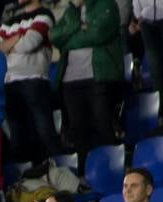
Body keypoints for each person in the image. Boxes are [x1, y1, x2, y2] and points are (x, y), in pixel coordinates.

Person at [51, 0, 123, 160]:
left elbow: (99, 33)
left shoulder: (105, 4)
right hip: (70, 80)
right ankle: (86, 169)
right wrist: (79, 27)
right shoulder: (70, 12)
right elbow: (54, 36)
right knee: (78, 129)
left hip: (97, 76)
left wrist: (69, 40)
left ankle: (114, 164)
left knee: (101, 122)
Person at [0, 0, 59, 164]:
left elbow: (28, 44)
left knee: (44, 132)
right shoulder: (9, 21)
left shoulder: (44, 15)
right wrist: (18, 37)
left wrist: (8, 45)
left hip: (34, 80)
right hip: (9, 83)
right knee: (18, 136)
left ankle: (58, 169)